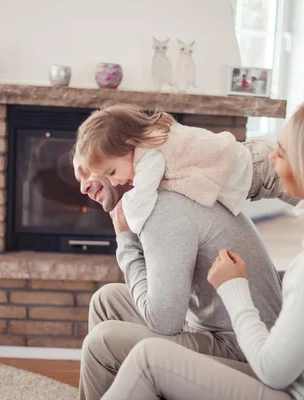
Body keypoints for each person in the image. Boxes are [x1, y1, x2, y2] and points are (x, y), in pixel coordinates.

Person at [101, 102, 304, 400]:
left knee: (149, 359)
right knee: (114, 309)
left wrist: (234, 288)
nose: (271, 158)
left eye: (281, 153)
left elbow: (271, 371)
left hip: (302, 394)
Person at [72, 144, 289, 400]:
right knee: (106, 300)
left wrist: (125, 239)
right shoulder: (165, 192)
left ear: (120, 158)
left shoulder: (165, 208)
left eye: (87, 171)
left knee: (102, 343)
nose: (83, 187)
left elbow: (164, 322)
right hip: (209, 323)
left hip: (239, 346)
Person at [74, 104, 284, 235]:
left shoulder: (150, 156)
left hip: (262, 168)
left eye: (111, 172)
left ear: (129, 144)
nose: (112, 181)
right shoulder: (148, 150)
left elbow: (140, 204)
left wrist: (123, 223)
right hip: (255, 165)